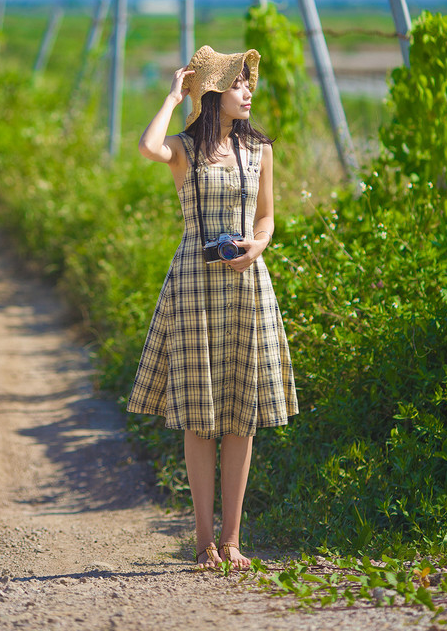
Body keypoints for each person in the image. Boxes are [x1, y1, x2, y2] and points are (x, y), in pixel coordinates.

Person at [127, 45, 298, 570]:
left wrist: (258, 246)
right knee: (199, 420)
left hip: (247, 285)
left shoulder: (260, 151)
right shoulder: (183, 148)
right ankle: (203, 542)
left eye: (250, 84)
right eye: (240, 84)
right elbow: (146, 145)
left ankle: (232, 541)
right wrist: (175, 94)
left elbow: (267, 218)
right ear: (215, 92)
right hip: (193, 287)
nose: (249, 92)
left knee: (241, 416)